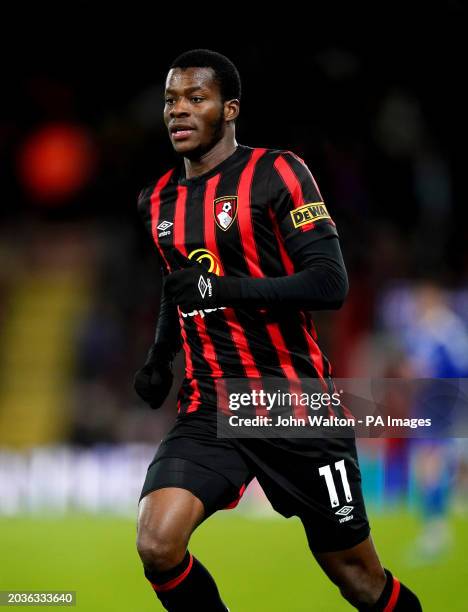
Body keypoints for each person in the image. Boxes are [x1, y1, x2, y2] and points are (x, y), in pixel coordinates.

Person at [134, 49, 422, 611]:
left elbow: (329, 283)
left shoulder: (277, 173)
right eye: (172, 100)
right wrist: (159, 358)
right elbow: (180, 287)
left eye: (197, 98)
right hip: (211, 406)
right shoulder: (156, 200)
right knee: (157, 543)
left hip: (295, 407)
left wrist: (226, 291)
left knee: (359, 578)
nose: (179, 112)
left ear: (230, 108)